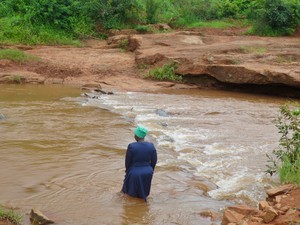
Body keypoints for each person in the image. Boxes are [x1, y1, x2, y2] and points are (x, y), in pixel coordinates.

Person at [122, 126, 157, 202]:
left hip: (134, 172)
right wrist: (151, 170)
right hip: (148, 172)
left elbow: (127, 161)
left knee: (129, 195)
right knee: (143, 194)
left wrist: (128, 171)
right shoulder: (151, 146)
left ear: (136, 136)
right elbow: (154, 160)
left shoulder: (132, 146)